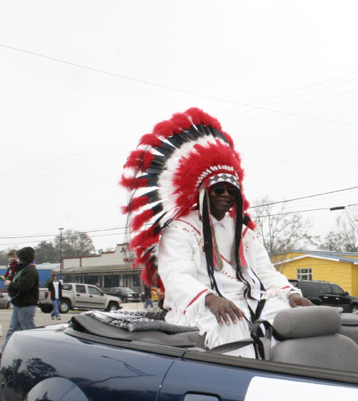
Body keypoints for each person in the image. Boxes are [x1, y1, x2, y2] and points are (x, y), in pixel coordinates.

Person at [122, 108, 312, 354]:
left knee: (292, 318)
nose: (225, 195)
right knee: (231, 324)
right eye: (218, 189)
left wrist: (290, 293)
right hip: (203, 306)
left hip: (251, 302)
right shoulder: (180, 229)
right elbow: (177, 277)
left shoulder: (244, 234)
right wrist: (210, 298)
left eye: (231, 191)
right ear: (203, 191)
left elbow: (266, 273)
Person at [0, 247, 39, 359]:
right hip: (19, 303)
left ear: (26, 258)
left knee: (28, 329)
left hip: (26, 305)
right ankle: (4, 351)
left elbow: (24, 286)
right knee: (13, 329)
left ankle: (36, 352)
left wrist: (10, 284)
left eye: (20, 258)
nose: (18, 260)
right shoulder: (23, 269)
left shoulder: (31, 271)